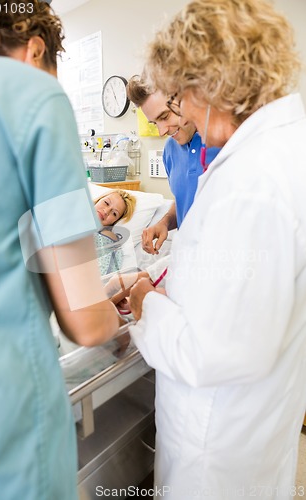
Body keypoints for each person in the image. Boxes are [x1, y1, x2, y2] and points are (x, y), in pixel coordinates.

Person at [128, 1, 306, 498]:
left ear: (213, 83)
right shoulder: (281, 147)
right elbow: (231, 278)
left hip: (216, 447)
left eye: (180, 96)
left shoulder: (251, 183)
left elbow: (215, 352)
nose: (179, 112)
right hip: (253, 428)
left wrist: (146, 304)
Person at [0, 1, 120, 499]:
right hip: (2, 427)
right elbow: (83, 318)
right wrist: (117, 306)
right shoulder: (32, 97)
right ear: (36, 48)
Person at [127, 75, 220, 255]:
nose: (161, 131)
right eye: (155, 123)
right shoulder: (170, 151)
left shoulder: (224, 141)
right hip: (193, 262)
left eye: (165, 116)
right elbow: (184, 201)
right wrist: (165, 222)